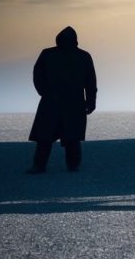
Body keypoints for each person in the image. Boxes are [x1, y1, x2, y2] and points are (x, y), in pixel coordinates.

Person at [27, 26, 98, 174]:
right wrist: (91, 101)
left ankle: (42, 166)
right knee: (66, 137)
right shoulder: (83, 56)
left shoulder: (48, 54)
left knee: (49, 138)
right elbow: (90, 82)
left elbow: (37, 76)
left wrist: (45, 93)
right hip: (69, 103)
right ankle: (71, 165)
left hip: (55, 102)